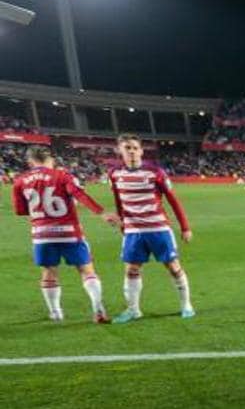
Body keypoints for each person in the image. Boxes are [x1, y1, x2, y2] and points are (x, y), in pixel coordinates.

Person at [11, 146, 120, 322]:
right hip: (69, 232)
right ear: (50, 159)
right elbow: (79, 194)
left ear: (30, 161)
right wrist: (102, 213)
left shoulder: (20, 181)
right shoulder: (62, 176)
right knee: (86, 270)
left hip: (42, 234)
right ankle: (98, 309)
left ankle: (56, 313)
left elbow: (19, 210)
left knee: (49, 271)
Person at [107, 134, 195, 322]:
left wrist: (185, 227)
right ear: (120, 151)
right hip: (133, 231)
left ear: (141, 150)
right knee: (131, 269)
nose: (131, 151)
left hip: (158, 228)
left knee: (173, 266)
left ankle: (186, 305)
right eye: (127, 148)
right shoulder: (114, 174)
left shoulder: (155, 172)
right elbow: (118, 200)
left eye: (134, 148)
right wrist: (122, 222)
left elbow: (174, 201)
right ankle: (133, 310)